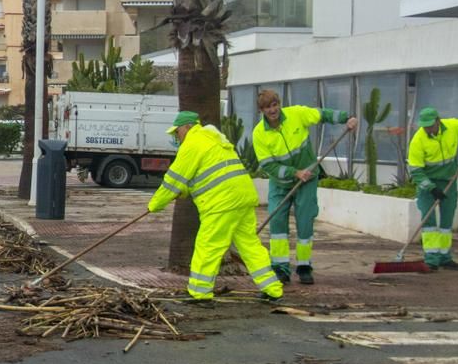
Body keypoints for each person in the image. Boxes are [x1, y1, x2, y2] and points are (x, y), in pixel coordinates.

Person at [148, 111, 284, 303]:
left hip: (222, 203)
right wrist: (185, 191)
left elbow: (174, 180)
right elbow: (205, 174)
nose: (176, 137)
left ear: (186, 127)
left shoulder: (192, 143)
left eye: (177, 132)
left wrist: (154, 205)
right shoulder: (214, 139)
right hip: (242, 197)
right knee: (250, 246)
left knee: (208, 246)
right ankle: (272, 289)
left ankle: (200, 292)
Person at [251, 89, 357, 285]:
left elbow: (322, 114)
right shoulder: (259, 134)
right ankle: (281, 268)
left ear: (279, 104)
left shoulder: (296, 114)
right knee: (277, 223)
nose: (273, 110)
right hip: (280, 183)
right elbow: (268, 165)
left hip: (308, 180)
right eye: (268, 107)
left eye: (275, 105)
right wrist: (294, 173)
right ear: (262, 110)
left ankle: (304, 266)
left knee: (305, 221)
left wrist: (346, 118)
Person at [408, 107, 458, 271]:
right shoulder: (417, 140)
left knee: (446, 222)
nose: (427, 128)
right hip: (428, 184)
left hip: (449, 181)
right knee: (429, 222)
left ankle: (445, 257)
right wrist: (431, 188)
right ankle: (431, 259)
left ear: (438, 121)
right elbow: (416, 170)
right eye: (424, 126)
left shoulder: (452, 126)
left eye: (430, 125)